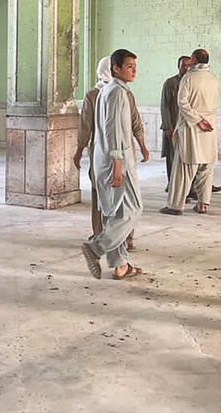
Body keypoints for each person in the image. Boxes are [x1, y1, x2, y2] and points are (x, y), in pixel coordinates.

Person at [81, 49, 144, 281]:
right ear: (115, 69)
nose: (134, 70)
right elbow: (112, 130)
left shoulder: (108, 91)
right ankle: (96, 248)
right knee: (132, 210)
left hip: (105, 158)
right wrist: (118, 164)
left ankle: (121, 265)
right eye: (129, 66)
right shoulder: (116, 93)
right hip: (116, 160)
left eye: (135, 66)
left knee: (114, 213)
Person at [161, 49, 219, 216]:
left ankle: (175, 206)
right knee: (206, 167)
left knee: (184, 168)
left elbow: (182, 103)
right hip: (209, 127)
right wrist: (204, 120)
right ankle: (203, 204)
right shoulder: (213, 79)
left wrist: (198, 120)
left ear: (194, 59)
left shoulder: (188, 78)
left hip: (192, 127)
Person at [160, 55, 193, 189]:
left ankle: (190, 187)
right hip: (173, 126)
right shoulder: (170, 83)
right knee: (172, 158)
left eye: (189, 65)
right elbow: (164, 106)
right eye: (184, 65)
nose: (186, 68)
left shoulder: (191, 82)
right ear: (178, 66)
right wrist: (167, 126)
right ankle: (172, 185)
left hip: (187, 127)